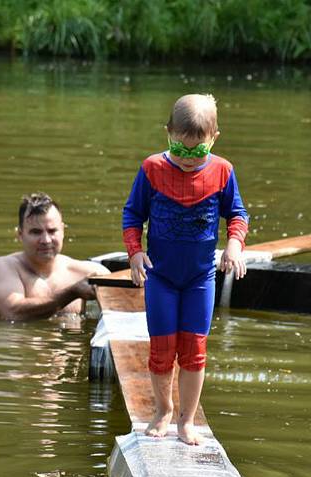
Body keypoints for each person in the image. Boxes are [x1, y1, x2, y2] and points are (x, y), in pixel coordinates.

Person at [122, 94, 249, 445]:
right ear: (168, 135)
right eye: (181, 151)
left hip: (199, 278)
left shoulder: (223, 171)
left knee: (194, 347)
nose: (189, 161)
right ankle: (163, 410)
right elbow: (133, 215)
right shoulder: (152, 169)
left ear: (214, 139)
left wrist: (234, 245)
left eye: (198, 153)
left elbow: (237, 215)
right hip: (160, 276)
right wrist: (135, 253)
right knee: (162, 348)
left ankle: (186, 420)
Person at [0, 192, 109, 321]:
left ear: (63, 231)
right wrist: (71, 293)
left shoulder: (88, 273)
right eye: (36, 232)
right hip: (22, 341)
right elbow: (12, 313)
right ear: (20, 234)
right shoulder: (4, 267)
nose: (46, 240)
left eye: (52, 231)